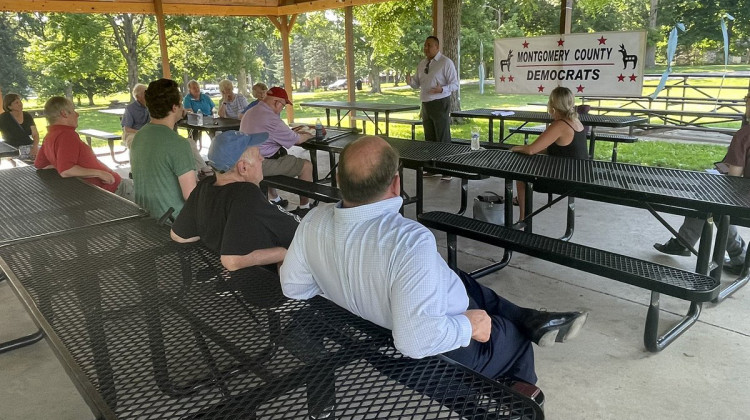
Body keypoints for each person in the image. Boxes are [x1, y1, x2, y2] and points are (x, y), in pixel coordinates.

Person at [280, 135, 587, 389]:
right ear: (396, 184)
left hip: (374, 329)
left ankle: (529, 316)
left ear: (338, 179)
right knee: (514, 338)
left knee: (461, 280)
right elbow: (416, 341)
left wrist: (341, 282)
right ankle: (516, 400)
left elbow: (293, 285)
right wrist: (469, 326)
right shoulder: (408, 241)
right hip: (438, 353)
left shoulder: (314, 220)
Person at [171, 130, 300, 273]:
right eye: (258, 155)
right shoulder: (245, 194)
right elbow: (231, 261)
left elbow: (178, 235)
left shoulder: (206, 185)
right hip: (284, 264)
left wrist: (213, 237)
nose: (262, 159)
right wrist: (282, 253)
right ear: (243, 168)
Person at [654, 94, 750, 274]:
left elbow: (734, 177)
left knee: (709, 196)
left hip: (745, 201)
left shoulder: (744, 134)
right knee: (715, 200)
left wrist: (725, 169)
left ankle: (684, 243)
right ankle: (738, 256)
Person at [510, 86, 589, 222]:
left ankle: (523, 218)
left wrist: (514, 148)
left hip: (565, 180)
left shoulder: (560, 125)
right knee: (528, 165)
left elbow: (531, 150)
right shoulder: (576, 121)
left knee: (520, 176)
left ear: (553, 105)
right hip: (578, 173)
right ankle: (520, 201)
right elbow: (558, 149)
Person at [34, 96, 133, 201]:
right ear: (64, 113)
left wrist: (59, 163)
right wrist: (100, 173)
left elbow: (40, 164)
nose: (77, 114)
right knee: (148, 195)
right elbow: (66, 170)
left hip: (98, 191)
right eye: (73, 111)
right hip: (114, 190)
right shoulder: (67, 135)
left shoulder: (50, 135)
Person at [240, 86, 314, 216]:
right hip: (259, 164)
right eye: (283, 106)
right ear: (276, 102)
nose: (282, 109)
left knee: (277, 154)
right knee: (306, 165)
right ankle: (305, 207)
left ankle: (274, 198)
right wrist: (311, 133)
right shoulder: (271, 118)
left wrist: (290, 133)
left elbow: (274, 134)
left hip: (245, 160)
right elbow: (298, 140)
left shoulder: (251, 111)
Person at [130, 78, 197, 220]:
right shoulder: (178, 144)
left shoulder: (139, 136)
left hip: (145, 218)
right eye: (180, 103)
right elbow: (191, 196)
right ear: (174, 107)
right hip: (172, 222)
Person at [409, 36, 459, 145]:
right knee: (429, 137)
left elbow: (455, 84)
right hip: (426, 104)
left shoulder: (445, 62)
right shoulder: (422, 64)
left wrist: (442, 89)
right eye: (425, 46)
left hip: (440, 103)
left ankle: (444, 160)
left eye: (429, 45)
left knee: (441, 137)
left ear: (437, 47)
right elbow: (416, 84)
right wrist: (410, 82)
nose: (426, 48)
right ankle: (431, 161)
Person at [0, 93, 40, 159]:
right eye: (16, 103)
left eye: (20, 101)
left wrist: (35, 147)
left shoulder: (27, 115)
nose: (20, 104)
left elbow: (35, 134)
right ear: (9, 106)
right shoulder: (4, 118)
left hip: (29, 149)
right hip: (11, 152)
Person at [121, 83, 150, 148]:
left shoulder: (152, 106)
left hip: (148, 133)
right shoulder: (130, 109)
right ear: (137, 97)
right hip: (133, 133)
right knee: (135, 141)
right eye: (145, 94)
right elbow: (127, 129)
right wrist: (141, 132)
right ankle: (137, 157)